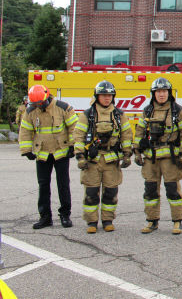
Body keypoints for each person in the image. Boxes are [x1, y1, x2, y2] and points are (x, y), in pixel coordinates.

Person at [72, 81, 133, 233]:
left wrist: (127, 154)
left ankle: (107, 220)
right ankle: (91, 222)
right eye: (103, 95)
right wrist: (80, 156)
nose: (107, 98)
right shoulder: (88, 115)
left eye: (109, 95)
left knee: (111, 193)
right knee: (91, 193)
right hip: (92, 161)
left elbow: (126, 135)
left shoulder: (119, 115)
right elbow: (78, 136)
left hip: (111, 159)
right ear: (97, 96)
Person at [133, 78, 182, 234]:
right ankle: (152, 221)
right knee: (150, 190)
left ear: (169, 93)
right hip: (150, 158)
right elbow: (139, 131)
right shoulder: (147, 110)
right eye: (158, 92)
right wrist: (137, 151)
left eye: (164, 91)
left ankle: (177, 221)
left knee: (173, 190)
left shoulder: (177, 110)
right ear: (153, 94)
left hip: (170, 158)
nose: (161, 94)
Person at [18, 85, 78, 229]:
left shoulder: (63, 107)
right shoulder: (31, 111)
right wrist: (26, 150)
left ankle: (65, 215)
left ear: (47, 97)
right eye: (36, 103)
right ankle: (45, 217)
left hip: (61, 152)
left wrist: (72, 146)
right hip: (43, 154)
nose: (39, 105)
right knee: (43, 186)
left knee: (63, 185)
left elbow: (74, 127)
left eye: (41, 103)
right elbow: (25, 130)